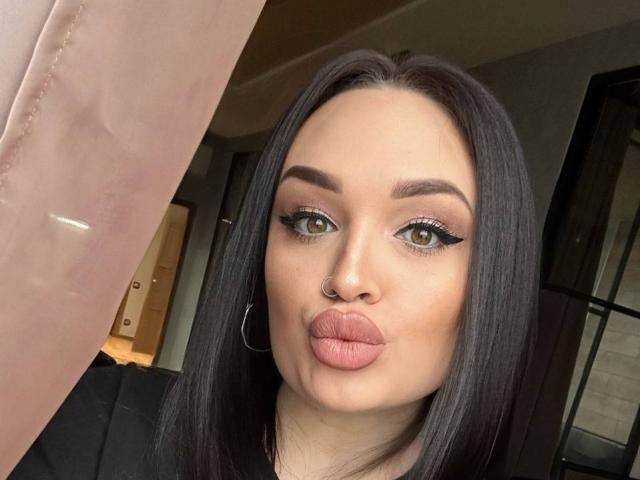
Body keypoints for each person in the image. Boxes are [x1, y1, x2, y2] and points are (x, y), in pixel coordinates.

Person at [10, 48, 539, 480]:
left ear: (493, 281)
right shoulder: (96, 425)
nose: (348, 277)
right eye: (311, 220)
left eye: (423, 233)